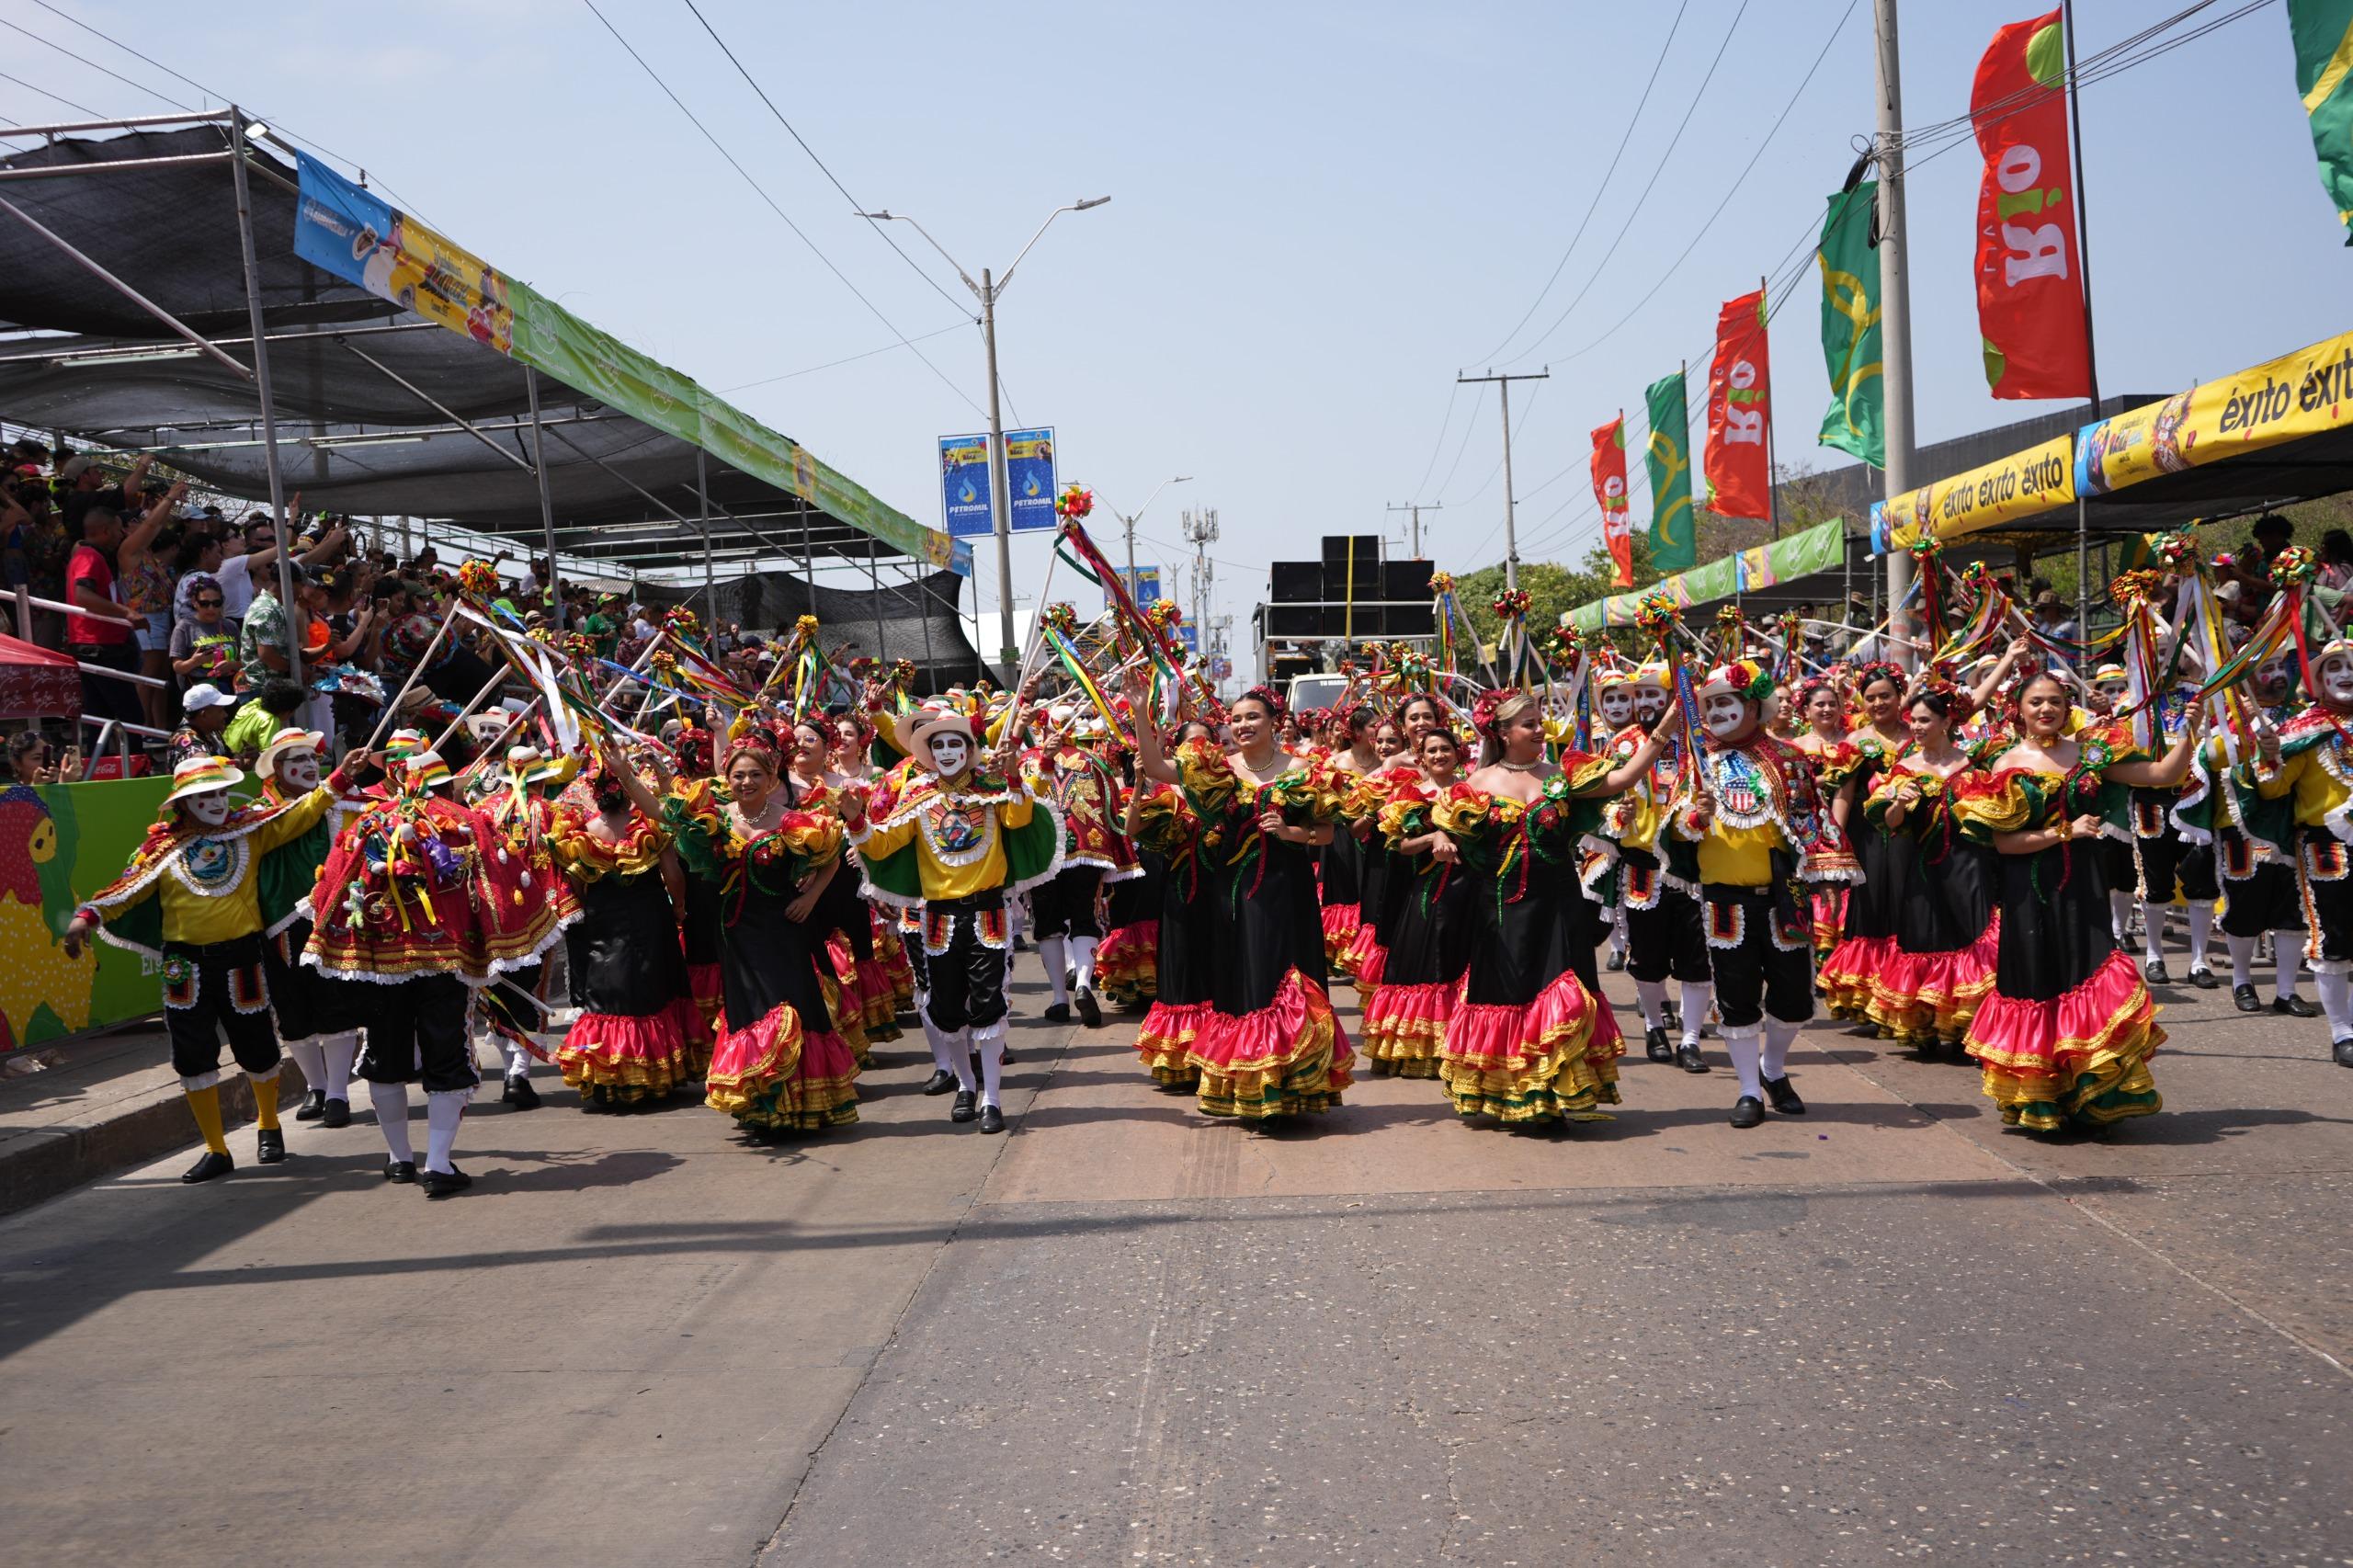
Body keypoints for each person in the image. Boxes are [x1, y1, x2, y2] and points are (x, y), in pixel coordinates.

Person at [60, 752, 356, 1183]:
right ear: (183, 803)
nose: (217, 801)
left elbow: (297, 816)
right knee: (193, 1056)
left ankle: (269, 1127)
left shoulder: (248, 833)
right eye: (205, 795)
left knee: (256, 1045)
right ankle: (216, 1149)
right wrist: (85, 919)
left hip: (242, 959)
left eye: (220, 792)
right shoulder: (162, 849)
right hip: (185, 966)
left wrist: (340, 778)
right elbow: (126, 890)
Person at [304, 748, 566, 1195]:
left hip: (381, 965)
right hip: (447, 963)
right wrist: (493, 951)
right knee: (447, 1058)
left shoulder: (370, 822)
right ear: (444, 784)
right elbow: (497, 892)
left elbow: (330, 887)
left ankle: (400, 1159)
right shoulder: (468, 822)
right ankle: (439, 1165)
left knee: (384, 1058)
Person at [1955, 670, 2202, 1130]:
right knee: (2036, 982)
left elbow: (2162, 774)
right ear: (2019, 710)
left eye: (2055, 701)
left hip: (2083, 886)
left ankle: (2095, 1090)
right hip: (2028, 888)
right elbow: (2005, 845)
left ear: (2067, 706)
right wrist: (2064, 831)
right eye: (2036, 702)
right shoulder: (2005, 763)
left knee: (2087, 971)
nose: (2046, 709)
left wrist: (2189, 730)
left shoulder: (2089, 755)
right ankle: (2039, 1095)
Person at [1436, 691, 1673, 1126]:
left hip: (1559, 902)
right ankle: (1514, 1091)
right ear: (1504, 733)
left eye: (1539, 721)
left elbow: (1621, 780)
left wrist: (1665, 729)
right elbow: (1447, 827)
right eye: (1529, 724)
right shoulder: (1479, 782)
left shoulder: (1562, 775)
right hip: (1501, 908)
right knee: (1508, 993)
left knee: (1564, 989)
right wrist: (1441, 840)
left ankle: (1554, 1091)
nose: (1540, 729)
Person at [1131, 683, 1353, 1122]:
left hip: (1287, 892)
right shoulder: (1219, 770)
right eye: (1235, 719)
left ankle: (1296, 1083)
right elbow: (1155, 767)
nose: (1243, 725)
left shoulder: (1303, 769)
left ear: (1274, 722)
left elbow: (1326, 833)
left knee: (1288, 977)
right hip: (1232, 893)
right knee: (1244, 979)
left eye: (1252, 717)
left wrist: (1291, 834)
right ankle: (1253, 1083)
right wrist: (1141, 712)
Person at [846, 702, 1063, 1132]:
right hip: (937, 919)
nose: (946, 750)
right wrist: (856, 822)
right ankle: (965, 1085)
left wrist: (1015, 774)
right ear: (928, 753)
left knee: (989, 1005)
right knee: (946, 1008)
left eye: (954, 742)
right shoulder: (918, 795)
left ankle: (993, 1101)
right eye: (938, 744)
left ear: (968, 748)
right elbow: (884, 843)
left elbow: (1019, 817)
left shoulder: (992, 788)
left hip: (988, 913)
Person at [1672, 657, 1858, 1128]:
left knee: (1795, 998)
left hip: (1783, 894)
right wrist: (1694, 819)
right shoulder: (1696, 761)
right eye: (1708, 704)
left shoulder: (1789, 758)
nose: (1715, 712)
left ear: (1753, 705)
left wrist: (1829, 875)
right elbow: (1673, 830)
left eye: (1725, 701)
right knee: (1736, 996)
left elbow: (1813, 821)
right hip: (1722, 899)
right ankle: (1749, 1091)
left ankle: (1772, 1066)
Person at [668, 722, 865, 1136]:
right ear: (728, 778)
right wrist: (628, 777)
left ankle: (803, 1103)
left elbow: (832, 855)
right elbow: (663, 817)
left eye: (755, 774)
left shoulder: (792, 819)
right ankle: (762, 1106)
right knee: (750, 1013)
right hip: (736, 936)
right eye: (738, 775)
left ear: (771, 777)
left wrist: (810, 899)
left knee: (797, 1007)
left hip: (785, 929)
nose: (746, 781)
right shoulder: (716, 820)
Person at [547, 756, 697, 1110]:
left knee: (608, 991)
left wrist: (594, 906)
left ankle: (612, 1075)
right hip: (650, 917)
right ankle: (653, 1075)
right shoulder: (647, 828)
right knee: (652, 988)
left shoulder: (583, 835)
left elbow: (577, 884)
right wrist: (679, 907)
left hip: (603, 921)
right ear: (628, 793)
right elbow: (673, 876)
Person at [1863, 681, 1999, 1055]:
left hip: (1969, 862)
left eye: (1925, 720)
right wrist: (1898, 803)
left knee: (1970, 935)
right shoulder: (1903, 768)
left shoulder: (1973, 765)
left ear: (1946, 721)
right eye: (1914, 720)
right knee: (1926, 938)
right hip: (1921, 867)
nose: (1917, 727)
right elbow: (1889, 824)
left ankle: (1964, 1027)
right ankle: (1925, 1024)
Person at [248, 728, 365, 1129]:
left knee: (334, 1002)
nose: (310, 765)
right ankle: (316, 1087)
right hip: (280, 921)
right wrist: (336, 784)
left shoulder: (341, 801)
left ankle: (337, 1093)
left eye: (314, 758)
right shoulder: (260, 812)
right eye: (298, 759)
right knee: (291, 1007)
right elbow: (293, 821)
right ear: (277, 770)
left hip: (327, 915)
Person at [1601, 662, 1712, 1070]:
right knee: (1647, 956)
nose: (1646, 702)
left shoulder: (1700, 745)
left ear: (1674, 700)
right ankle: (1653, 1026)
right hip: (1641, 866)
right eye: (1641, 695)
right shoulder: (1623, 744)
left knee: (1697, 957)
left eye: (1655, 694)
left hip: (1689, 867)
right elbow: (1604, 803)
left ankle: (1691, 1039)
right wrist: (1620, 814)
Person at [2253, 638, 2353, 1067]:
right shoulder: (2303, 729)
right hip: (2327, 847)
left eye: (2351, 665)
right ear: (2318, 679)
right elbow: (2273, 788)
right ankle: (2343, 1033)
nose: (2346, 674)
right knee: (2335, 937)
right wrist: (2269, 755)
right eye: (2334, 667)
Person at [1026, 711, 1140, 1027]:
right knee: (1084, 918)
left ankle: (1059, 999)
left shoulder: (1027, 761)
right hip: (1088, 851)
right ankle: (1084, 985)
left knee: (1048, 924)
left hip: (1043, 852)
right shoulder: (1094, 761)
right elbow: (1112, 808)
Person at [1817, 662, 1913, 1026]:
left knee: (1907, 908)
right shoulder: (1855, 742)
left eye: (1885, 695)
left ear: (1900, 696)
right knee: (1871, 908)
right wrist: (1834, 841)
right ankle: (1870, 996)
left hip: (1909, 838)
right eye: (1870, 698)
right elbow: (1844, 793)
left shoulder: (1915, 735)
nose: (1877, 703)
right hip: (1868, 839)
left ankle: (1903, 995)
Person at [63, 505, 144, 729]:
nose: (122, 535)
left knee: (100, 716)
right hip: (99, 646)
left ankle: (102, 764)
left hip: (96, 644)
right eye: (119, 531)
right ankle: (135, 763)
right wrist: (126, 612)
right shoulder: (88, 557)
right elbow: (83, 595)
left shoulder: (89, 556)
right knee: (131, 716)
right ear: (106, 530)